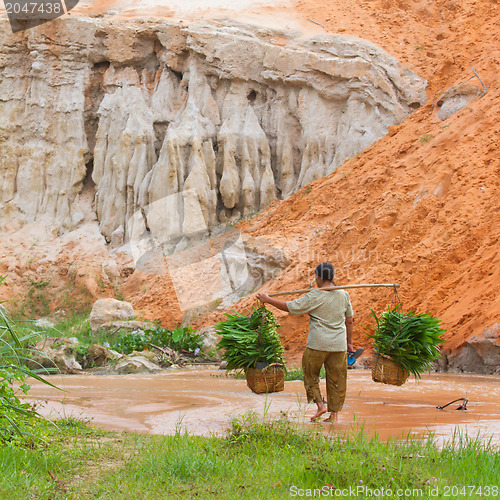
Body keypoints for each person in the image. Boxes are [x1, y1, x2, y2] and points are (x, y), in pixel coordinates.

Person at [257, 262, 353, 423]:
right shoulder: (343, 295)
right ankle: (334, 415)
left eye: (316, 276)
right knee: (337, 379)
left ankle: (320, 405)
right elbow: (349, 320)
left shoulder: (314, 296)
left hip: (318, 344)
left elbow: (290, 307)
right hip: (339, 345)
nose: (315, 279)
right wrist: (349, 343)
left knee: (310, 375)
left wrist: (268, 299)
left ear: (320, 277)